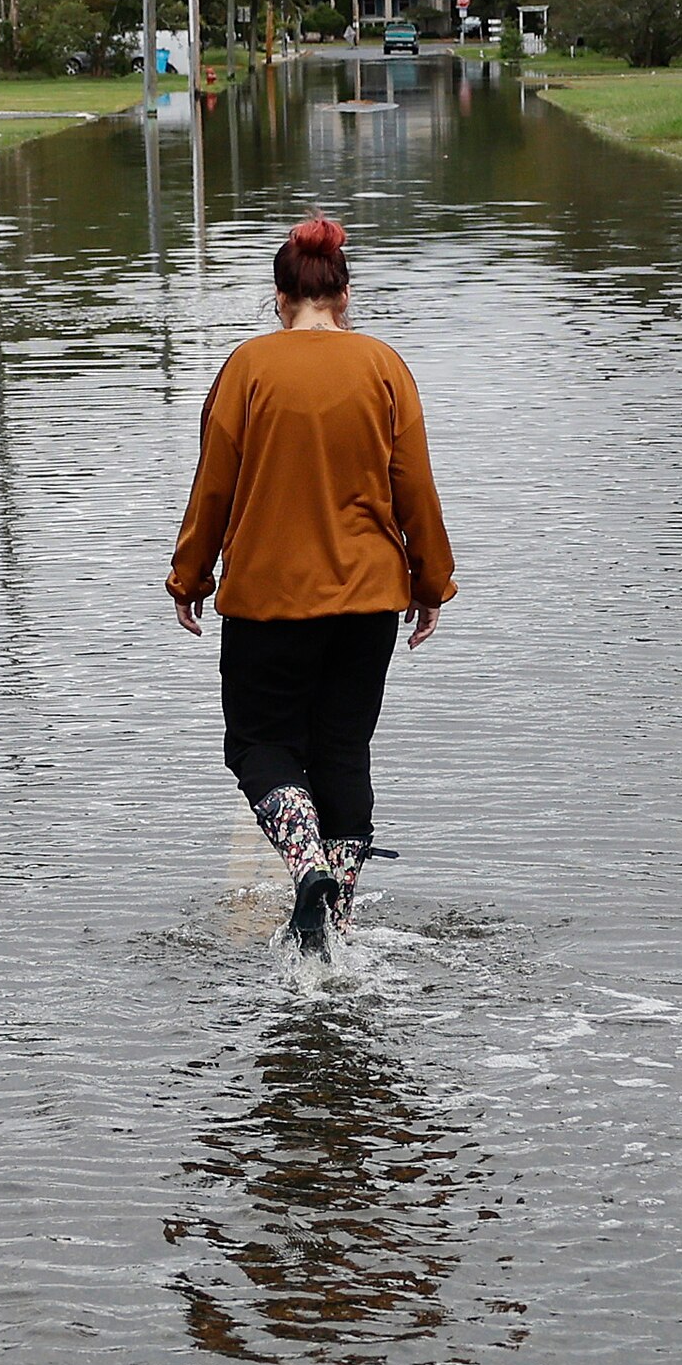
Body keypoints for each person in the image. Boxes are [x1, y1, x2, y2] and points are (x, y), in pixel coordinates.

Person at [169, 215, 456, 952]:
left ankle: (305, 870)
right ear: (345, 296)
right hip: (368, 603)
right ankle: (337, 923)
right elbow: (414, 487)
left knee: (260, 745)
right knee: (342, 752)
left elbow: (214, 489)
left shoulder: (247, 369)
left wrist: (190, 575)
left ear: (278, 297)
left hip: (267, 599)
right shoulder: (384, 367)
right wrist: (430, 583)